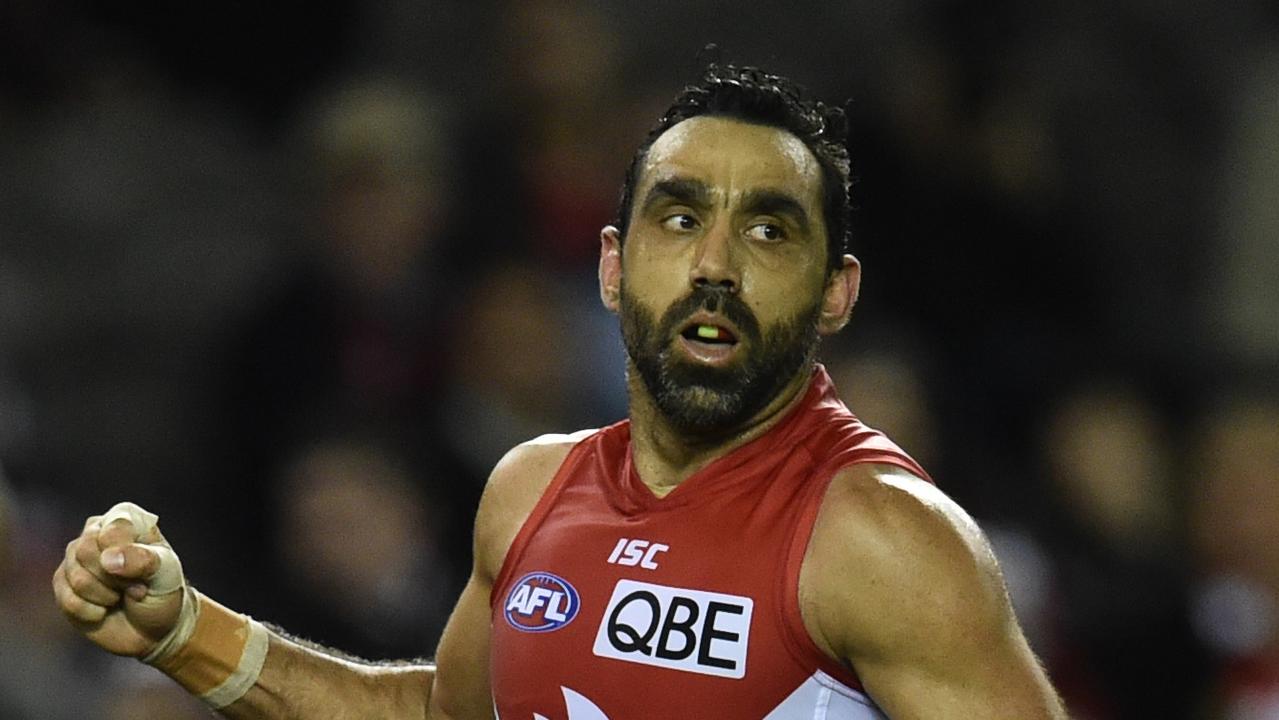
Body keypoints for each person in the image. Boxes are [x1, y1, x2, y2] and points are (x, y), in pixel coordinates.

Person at [52, 63, 1067, 719]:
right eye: (678, 219)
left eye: (768, 230)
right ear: (613, 268)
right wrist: (184, 635)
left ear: (835, 293)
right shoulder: (531, 489)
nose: (715, 264)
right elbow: (445, 717)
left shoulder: (882, 540)